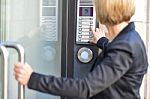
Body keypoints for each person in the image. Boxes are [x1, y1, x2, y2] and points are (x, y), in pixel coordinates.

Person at [14, 0, 148, 99]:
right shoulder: (130, 39)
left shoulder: (124, 47)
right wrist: (102, 42)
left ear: (103, 10)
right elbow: (118, 62)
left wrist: (32, 78)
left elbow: (85, 88)